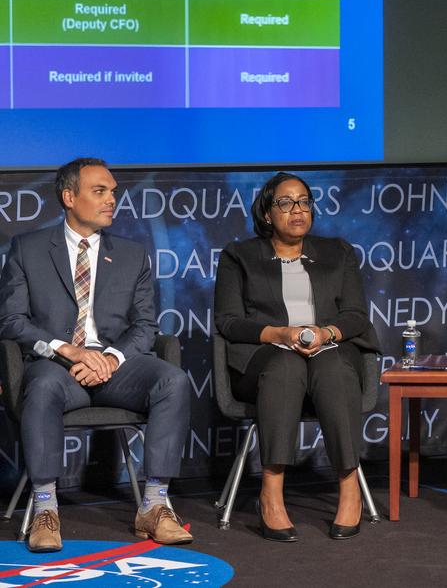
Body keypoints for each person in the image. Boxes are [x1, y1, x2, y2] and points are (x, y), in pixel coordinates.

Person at [0, 157, 193, 553]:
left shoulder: (133, 254)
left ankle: (154, 505)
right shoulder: (29, 248)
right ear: (69, 197)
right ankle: (44, 508)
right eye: (100, 191)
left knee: (172, 379)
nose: (112, 200)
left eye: (114, 192)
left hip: (115, 368)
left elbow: (144, 326)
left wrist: (111, 359)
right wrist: (66, 350)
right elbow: (11, 321)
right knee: (41, 386)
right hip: (57, 368)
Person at [214, 171, 378, 542]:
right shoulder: (239, 256)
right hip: (264, 358)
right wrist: (280, 334)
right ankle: (271, 493)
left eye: (304, 201)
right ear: (267, 213)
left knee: (334, 366)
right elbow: (228, 322)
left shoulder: (338, 252)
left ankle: (349, 487)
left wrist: (325, 333)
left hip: (328, 351)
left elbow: (355, 315)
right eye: (285, 203)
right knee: (285, 365)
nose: (297, 210)